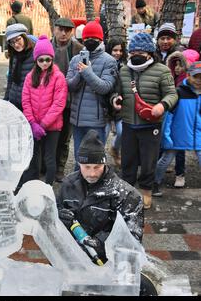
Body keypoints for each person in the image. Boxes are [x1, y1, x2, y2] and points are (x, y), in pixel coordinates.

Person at [110, 33, 178, 209]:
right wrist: (115, 99)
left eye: (141, 51)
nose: (136, 55)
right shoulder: (124, 70)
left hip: (151, 124)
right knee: (128, 161)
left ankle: (146, 191)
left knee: (149, 161)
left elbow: (172, 94)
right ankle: (128, 191)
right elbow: (117, 92)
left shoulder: (162, 70)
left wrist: (163, 105)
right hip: (128, 123)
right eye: (133, 52)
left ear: (149, 53)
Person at [57, 129, 144, 264]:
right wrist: (60, 219)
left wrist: (100, 244)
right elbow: (52, 222)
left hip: (106, 264)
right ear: (79, 163)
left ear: (104, 163)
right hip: (72, 260)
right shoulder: (67, 184)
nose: (92, 173)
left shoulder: (127, 194)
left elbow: (132, 238)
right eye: (87, 167)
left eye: (97, 167)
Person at [66, 21, 117, 169]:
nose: (89, 42)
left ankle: (95, 189)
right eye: (86, 39)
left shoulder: (109, 61)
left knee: (95, 160)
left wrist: (87, 72)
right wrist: (79, 75)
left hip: (96, 120)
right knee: (78, 158)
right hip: (77, 120)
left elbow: (105, 87)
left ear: (101, 40)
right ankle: (78, 188)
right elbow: (68, 85)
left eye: (93, 39)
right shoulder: (76, 59)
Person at [19, 35, 67, 189]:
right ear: (36, 60)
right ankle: (32, 185)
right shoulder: (29, 77)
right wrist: (32, 122)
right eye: (41, 60)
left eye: (48, 59)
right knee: (34, 157)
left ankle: (48, 187)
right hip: (34, 125)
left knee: (50, 157)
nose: (45, 63)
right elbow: (25, 101)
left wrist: (44, 124)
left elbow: (59, 103)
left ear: (52, 59)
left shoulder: (58, 77)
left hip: (52, 126)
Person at [153, 61, 201, 197]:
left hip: (198, 134)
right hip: (177, 133)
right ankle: (154, 182)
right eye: (195, 76)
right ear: (188, 75)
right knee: (165, 160)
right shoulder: (178, 92)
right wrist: (166, 136)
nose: (198, 80)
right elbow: (168, 117)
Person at [52, 17, 84, 182]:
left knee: (64, 137)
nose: (63, 33)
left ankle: (59, 168)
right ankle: (46, 166)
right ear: (54, 29)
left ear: (71, 32)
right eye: (60, 29)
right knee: (48, 135)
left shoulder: (78, 49)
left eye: (67, 30)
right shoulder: (46, 46)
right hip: (48, 100)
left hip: (69, 101)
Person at [105, 37, 127, 168]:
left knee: (122, 131)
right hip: (105, 105)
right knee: (103, 134)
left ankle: (114, 148)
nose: (118, 53)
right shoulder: (104, 63)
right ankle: (99, 162)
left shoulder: (124, 66)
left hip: (119, 104)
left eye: (120, 50)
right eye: (115, 50)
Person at [3, 23, 35, 111]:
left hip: (30, 103)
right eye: (12, 42)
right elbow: (10, 78)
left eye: (18, 40)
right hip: (14, 100)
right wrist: (6, 99)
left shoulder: (36, 53)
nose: (16, 45)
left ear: (24, 37)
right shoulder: (14, 54)